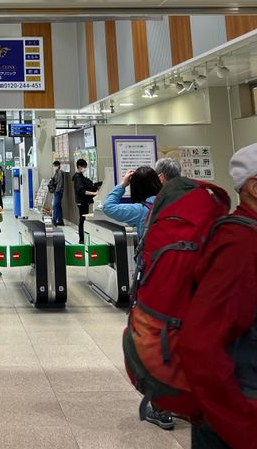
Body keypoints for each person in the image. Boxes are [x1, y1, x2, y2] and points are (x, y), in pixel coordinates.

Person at [176, 143, 257, 449]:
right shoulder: (240, 246)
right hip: (238, 419)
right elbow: (200, 344)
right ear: (254, 187)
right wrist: (241, 425)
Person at [102, 167, 173, 432]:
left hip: (152, 281)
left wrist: (121, 184)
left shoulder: (141, 211)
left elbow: (109, 207)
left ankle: (161, 408)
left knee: (150, 339)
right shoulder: (175, 204)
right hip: (181, 280)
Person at [102, 166, 162, 237]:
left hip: (154, 247)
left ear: (135, 187)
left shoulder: (139, 210)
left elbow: (108, 207)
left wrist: (123, 184)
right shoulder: (171, 200)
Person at [72, 158, 99, 244]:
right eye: (84, 167)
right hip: (82, 201)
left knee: (83, 219)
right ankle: (82, 238)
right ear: (79, 166)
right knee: (82, 219)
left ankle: (83, 238)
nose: (85, 168)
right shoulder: (78, 178)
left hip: (83, 201)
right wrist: (93, 193)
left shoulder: (80, 176)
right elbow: (82, 191)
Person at [49, 160, 65, 226]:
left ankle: (54, 220)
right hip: (57, 191)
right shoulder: (56, 172)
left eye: (55, 166)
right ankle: (60, 220)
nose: (54, 167)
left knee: (55, 205)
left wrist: (56, 190)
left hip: (58, 191)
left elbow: (60, 183)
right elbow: (55, 181)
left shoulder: (60, 172)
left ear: (58, 166)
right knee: (58, 206)